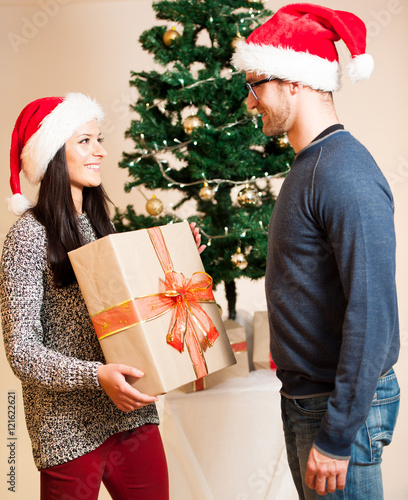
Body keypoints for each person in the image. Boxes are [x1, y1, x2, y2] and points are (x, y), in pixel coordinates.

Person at [232, 4, 400, 499]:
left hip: (337, 409)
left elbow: (373, 314)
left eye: (256, 84)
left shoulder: (342, 172)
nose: (250, 102)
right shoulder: (311, 164)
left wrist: (337, 435)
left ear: (295, 82)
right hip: (311, 399)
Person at [0, 93, 204, 500]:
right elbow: (21, 351)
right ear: (54, 153)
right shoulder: (26, 238)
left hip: (131, 414)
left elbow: (130, 311)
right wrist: (96, 377)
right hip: (67, 428)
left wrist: (176, 263)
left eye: (99, 139)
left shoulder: (102, 226)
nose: (101, 151)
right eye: (85, 141)